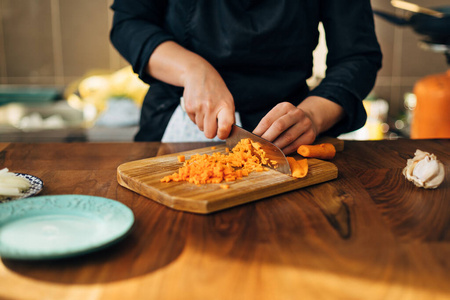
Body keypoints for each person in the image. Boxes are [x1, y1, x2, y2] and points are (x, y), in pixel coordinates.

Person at [110, 1, 382, 154]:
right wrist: (193, 70)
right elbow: (129, 23)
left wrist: (312, 115)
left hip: (285, 136)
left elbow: (357, 56)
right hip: (173, 125)